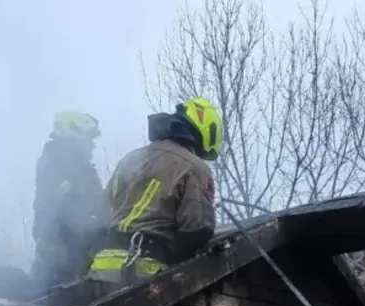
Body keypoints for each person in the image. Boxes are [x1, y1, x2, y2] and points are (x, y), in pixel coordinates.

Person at [86, 97, 223, 285]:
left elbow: (100, 215)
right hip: (144, 271)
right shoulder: (194, 166)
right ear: (208, 131)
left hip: (102, 269)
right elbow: (197, 229)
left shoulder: (131, 159)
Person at [32, 111, 107, 289]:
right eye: (89, 139)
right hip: (64, 257)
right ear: (74, 135)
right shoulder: (62, 164)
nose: (92, 146)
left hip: (69, 253)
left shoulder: (71, 164)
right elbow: (77, 210)